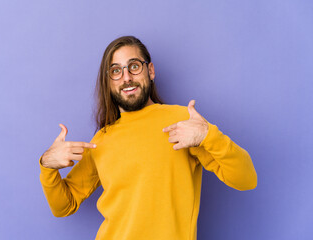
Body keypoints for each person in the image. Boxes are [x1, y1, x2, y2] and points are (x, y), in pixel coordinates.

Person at [39, 36, 257, 240]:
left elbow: (246, 179)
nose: (126, 77)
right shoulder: (102, 139)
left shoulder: (182, 121)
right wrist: (48, 166)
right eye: (116, 71)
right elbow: (63, 206)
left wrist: (209, 136)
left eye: (134, 66)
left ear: (150, 71)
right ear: (108, 81)